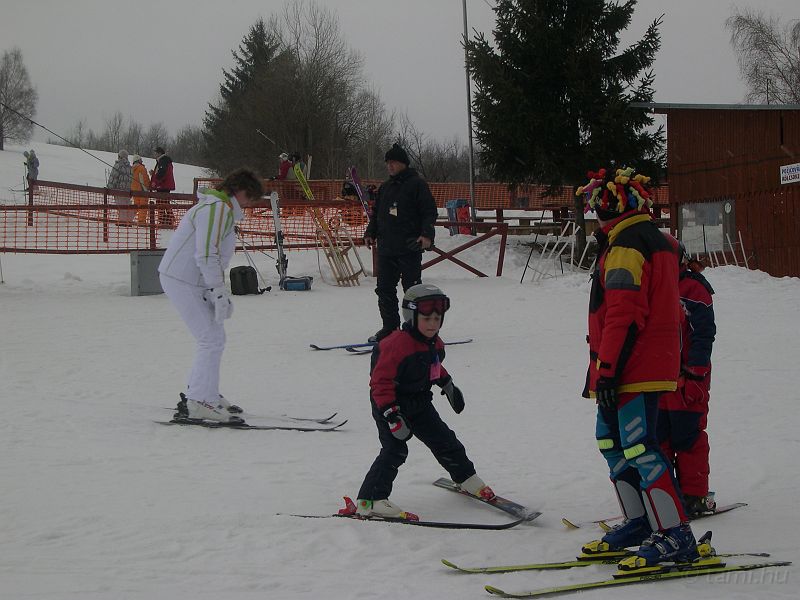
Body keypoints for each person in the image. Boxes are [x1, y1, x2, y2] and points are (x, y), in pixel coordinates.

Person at [578, 166, 699, 570]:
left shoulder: (628, 245)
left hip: (631, 366)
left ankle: (676, 532)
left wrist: (609, 369)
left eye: (596, 206)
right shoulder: (652, 239)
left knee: (637, 446)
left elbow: (624, 314)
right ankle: (639, 520)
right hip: (634, 363)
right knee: (610, 441)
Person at [341, 283, 494, 519]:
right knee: (394, 450)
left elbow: (433, 366)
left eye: (437, 318)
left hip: (420, 402)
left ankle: (465, 478)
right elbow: (380, 383)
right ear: (412, 317)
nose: (433, 324)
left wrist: (447, 384)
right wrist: (392, 414)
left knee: (444, 439)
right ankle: (370, 500)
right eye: (426, 319)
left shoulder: (435, 343)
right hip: (391, 404)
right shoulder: (394, 345)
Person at [158, 168, 264, 423]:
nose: (249, 204)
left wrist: (213, 290)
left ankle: (204, 393)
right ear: (239, 191)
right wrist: (217, 290)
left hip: (192, 280)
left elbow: (212, 254)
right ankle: (199, 401)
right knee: (210, 338)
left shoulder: (220, 209)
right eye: (249, 197)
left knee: (214, 337)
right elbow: (206, 253)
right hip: (182, 279)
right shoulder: (215, 209)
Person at [658, 243, 716, 517]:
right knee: (659, 438)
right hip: (659, 379)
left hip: (689, 380)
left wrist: (695, 372)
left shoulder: (693, 289)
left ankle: (694, 495)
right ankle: (664, 493)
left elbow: (703, 334)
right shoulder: (656, 286)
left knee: (688, 437)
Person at [363, 143, 438, 343]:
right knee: (384, 289)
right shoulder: (385, 187)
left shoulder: (417, 184)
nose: (390, 166)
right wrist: (370, 232)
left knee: (412, 290)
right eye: (387, 162)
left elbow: (429, 212)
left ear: (404, 163)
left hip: (409, 247)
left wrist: (427, 235)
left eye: (393, 162)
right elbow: (377, 214)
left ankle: (418, 328)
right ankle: (390, 328)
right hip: (387, 248)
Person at [149, 146, 176, 227]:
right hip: (165, 185)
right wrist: (154, 174)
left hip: (163, 186)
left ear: (159, 153)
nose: (154, 154)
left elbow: (162, 173)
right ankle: (168, 220)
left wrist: (155, 182)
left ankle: (164, 220)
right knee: (165, 203)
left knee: (161, 203)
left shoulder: (163, 161)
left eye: (155, 153)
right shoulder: (164, 160)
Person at [107, 150, 133, 225]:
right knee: (126, 206)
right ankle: (128, 221)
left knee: (121, 207)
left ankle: (123, 222)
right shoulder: (129, 167)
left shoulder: (118, 165)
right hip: (127, 191)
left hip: (118, 190)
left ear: (119, 156)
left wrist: (110, 187)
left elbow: (113, 177)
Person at [131, 155, 151, 225]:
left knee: (136, 206)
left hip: (134, 190)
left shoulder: (132, 169)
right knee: (143, 206)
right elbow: (145, 180)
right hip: (142, 190)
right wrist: (149, 187)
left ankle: (128, 218)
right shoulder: (142, 168)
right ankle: (141, 221)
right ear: (139, 160)